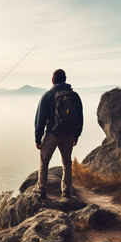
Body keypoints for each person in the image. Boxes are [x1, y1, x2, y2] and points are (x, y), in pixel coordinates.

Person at [34, 69, 83, 198]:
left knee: (44, 162)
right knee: (67, 163)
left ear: (53, 80)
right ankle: (66, 192)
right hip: (69, 134)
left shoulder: (48, 96)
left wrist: (38, 138)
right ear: (65, 79)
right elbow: (80, 117)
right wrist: (76, 135)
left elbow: (40, 118)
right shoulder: (74, 96)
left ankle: (41, 189)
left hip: (52, 134)